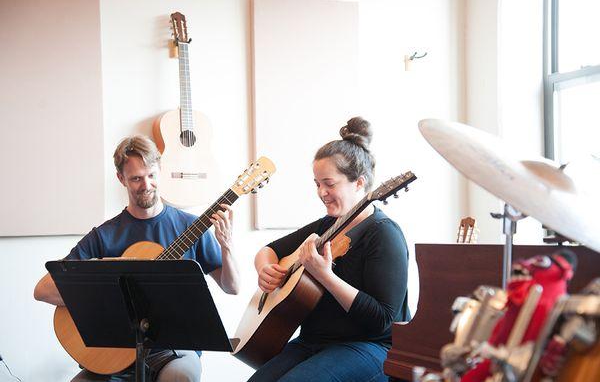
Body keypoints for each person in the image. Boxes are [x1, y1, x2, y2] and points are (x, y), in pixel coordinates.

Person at [33, 135, 240, 382]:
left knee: (181, 379)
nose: (146, 184)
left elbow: (232, 287)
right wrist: (108, 286)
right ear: (121, 179)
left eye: (152, 175)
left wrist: (226, 246)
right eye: (136, 178)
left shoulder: (190, 227)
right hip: (114, 353)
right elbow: (43, 290)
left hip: (172, 351)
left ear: (160, 170)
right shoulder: (104, 236)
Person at [248, 117, 410, 382]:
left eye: (329, 183)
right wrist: (265, 268)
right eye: (317, 184)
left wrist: (325, 276)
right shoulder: (327, 226)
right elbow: (268, 250)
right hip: (313, 342)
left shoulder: (383, 233)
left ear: (359, 183)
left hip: (368, 346)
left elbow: (382, 319)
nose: (321, 192)